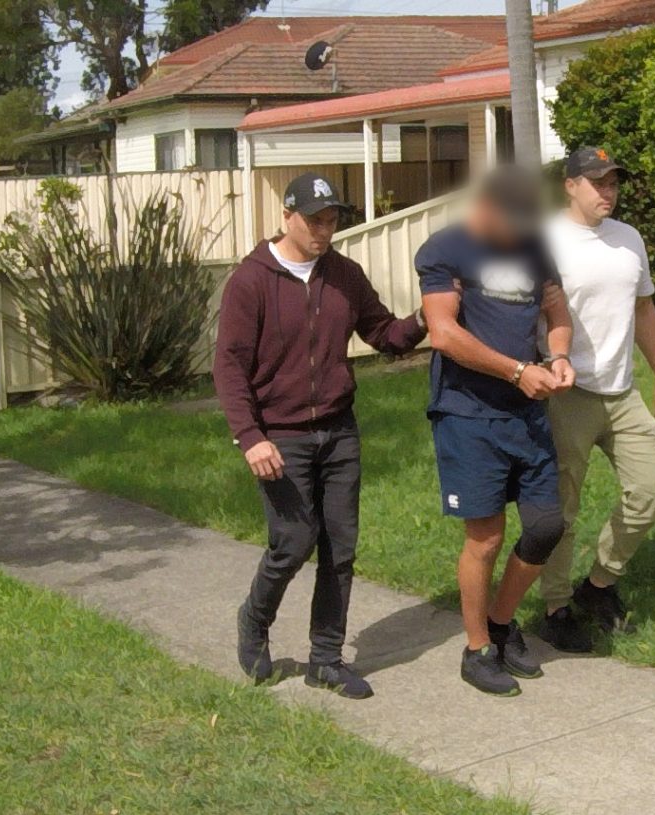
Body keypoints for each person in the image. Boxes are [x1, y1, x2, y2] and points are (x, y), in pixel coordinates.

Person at [215, 171, 426, 699]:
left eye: (331, 220)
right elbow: (230, 366)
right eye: (314, 220)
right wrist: (250, 435)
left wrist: (427, 319)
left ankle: (326, 659)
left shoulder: (344, 276)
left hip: (338, 432)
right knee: (292, 541)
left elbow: (383, 333)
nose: (323, 230)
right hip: (278, 435)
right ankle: (254, 620)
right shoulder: (252, 280)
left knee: (339, 549)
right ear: (286, 216)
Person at [416, 165, 575, 697]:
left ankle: (504, 624)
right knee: (485, 537)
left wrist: (557, 355)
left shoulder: (532, 246)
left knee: (546, 525)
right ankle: (477, 647)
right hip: (468, 415)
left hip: (527, 413)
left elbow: (557, 311)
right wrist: (515, 370)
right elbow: (442, 333)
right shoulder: (445, 249)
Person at [537, 147, 655, 654]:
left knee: (651, 488)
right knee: (562, 510)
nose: (608, 192)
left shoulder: (628, 238)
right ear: (570, 185)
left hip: (622, 390)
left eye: (614, 183)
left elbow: (643, 308)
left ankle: (598, 585)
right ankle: (554, 607)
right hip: (567, 393)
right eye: (598, 183)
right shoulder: (545, 239)